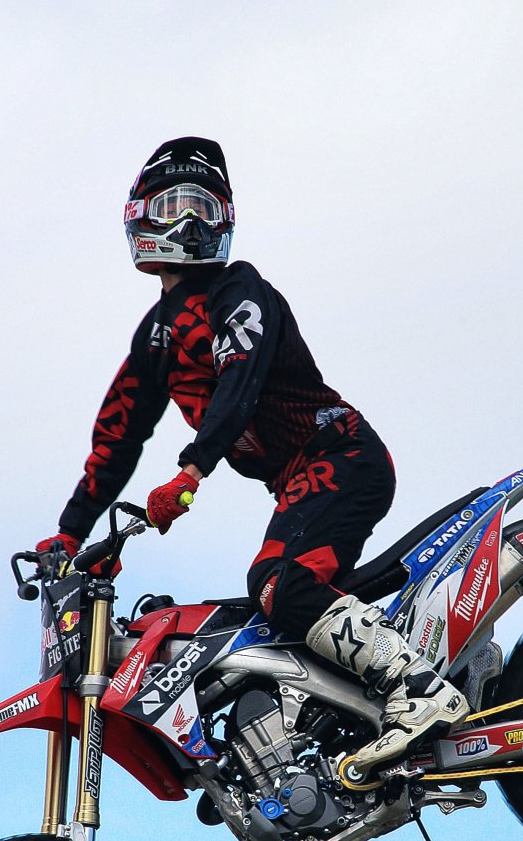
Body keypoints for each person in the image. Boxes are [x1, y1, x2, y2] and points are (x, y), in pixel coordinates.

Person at [36, 138, 467, 775]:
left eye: (205, 208)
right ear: (140, 217)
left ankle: (419, 689)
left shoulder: (240, 291)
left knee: (277, 583)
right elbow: (116, 439)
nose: (191, 222)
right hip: (299, 478)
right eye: (176, 206)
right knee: (272, 614)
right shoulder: (155, 337)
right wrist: (71, 533)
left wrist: (191, 470)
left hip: (339, 453)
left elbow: (239, 383)